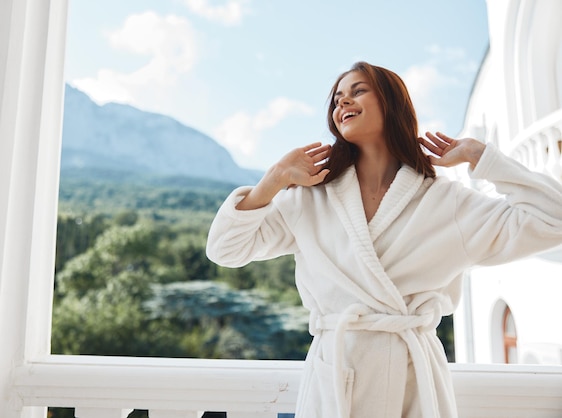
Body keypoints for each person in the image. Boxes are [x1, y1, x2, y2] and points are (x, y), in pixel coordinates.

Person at [205, 61, 562, 418]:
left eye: (357, 91)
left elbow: (553, 219)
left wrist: (480, 157)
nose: (342, 103)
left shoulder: (445, 201)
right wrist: (274, 179)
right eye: (337, 99)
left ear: (391, 103)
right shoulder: (311, 198)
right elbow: (225, 248)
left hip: (413, 384)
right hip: (335, 382)